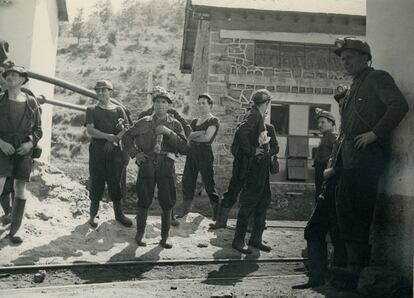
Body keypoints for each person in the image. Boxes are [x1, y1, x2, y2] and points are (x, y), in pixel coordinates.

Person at [329, 37, 409, 289]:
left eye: (350, 57)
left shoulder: (377, 78)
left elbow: (399, 105)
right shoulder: (353, 86)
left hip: (366, 162)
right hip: (347, 161)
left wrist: (375, 133)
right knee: (344, 213)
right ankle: (346, 266)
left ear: (366, 58)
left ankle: (357, 270)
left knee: (359, 216)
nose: (346, 62)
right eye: (342, 59)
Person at [123, 88, 187, 249]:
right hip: (147, 164)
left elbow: (184, 147)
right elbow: (127, 137)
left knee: (167, 201)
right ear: (153, 104)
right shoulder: (144, 121)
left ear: (169, 105)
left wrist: (168, 132)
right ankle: (140, 234)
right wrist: (136, 154)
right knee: (144, 199)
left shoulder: (175, 124)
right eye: (157, 101)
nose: (160, 105)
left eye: (164, 102)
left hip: (166, 165)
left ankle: (165, 237)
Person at [292, 109, 347, 289]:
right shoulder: (330, 139)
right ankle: (326, 278)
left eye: (324, 122)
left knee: (319, 232)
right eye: (319, 122)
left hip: (331, 192)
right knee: (331, 234)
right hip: (326, 191)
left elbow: (333, 166)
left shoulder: (332, 138)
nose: (320, 125)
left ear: (332, 123)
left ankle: (323, 278)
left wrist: (328, 173)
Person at [212, 110, 279, 229]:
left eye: (262, 114)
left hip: (259, 168)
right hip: (242, 166)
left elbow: (275, 146)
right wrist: (247, 154)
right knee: (232, 191)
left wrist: (267, 153)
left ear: (265, 115)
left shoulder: (269, 128)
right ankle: (220, 222)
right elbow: (234, 148)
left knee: (254, 195)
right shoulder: (244, 129)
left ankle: (250, 224)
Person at [0, 65, 42, 243]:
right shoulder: (0, 100)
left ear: (23, 79)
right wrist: (0, 143)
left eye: (14, 75)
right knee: (0, 184)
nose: (9, 77)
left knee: (20, 188)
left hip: (23, 151)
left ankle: (15, 230)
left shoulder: (32, 102)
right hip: (2, 149)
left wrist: (30, 143)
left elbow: (38, 129)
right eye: (8, 75)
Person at [138, 86, 191, 226]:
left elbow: (186, 130)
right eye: (156, 97)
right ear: (153, 98)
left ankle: (170, 216)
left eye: (163, 99)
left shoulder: (172, 114)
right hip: (148, 160)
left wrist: (176, 150)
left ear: (167, 101)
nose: (160, 104)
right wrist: (138, 153)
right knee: (144, 191)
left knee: (167, 189)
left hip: (166, 159)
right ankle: (141, 221)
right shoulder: (144, 115)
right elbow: (134, 135)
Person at [231, 89, 273, 254]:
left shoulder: (258, 115)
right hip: (254, 167)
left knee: (263, 201)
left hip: (262, 166)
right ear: (267, 103)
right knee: (248, 203)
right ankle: (238, 240)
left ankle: (256, 238)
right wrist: (252, 150)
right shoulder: (255, 115)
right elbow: (241, 131)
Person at [85, 80, 132, 228]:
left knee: (115, 181)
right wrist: (107, 137)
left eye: (103, 90)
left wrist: (114, 140)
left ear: (110, 92)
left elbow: (126, 127)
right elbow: (90, 130)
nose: (100, 93)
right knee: (96, 181)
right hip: (97, 150)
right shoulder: (92, 109)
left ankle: (119, 215)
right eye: (97, 90)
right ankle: (93, 215)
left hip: (114, 150)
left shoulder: (118, 110)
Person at [179, 93, 220, 219]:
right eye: (199, 103)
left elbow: (207, 138)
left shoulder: (213, 120)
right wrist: (200, 132)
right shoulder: (195, 121)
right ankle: (185, 213)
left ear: (210, 105)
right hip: (192, 153)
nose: (201, 106)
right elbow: (188, 136)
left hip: (205, 154)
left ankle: (217, 216)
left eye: (204, 103)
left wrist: (195, 135)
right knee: (187, 181)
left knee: (209, 183)